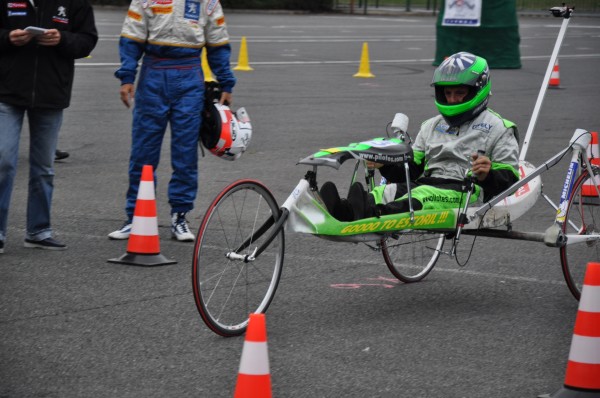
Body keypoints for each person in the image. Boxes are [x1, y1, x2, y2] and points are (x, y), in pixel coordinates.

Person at [320, 52, 520, 221]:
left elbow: (511, 180)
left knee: (421, 196)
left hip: (466, 192)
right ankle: (344, 212)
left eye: (459, 93)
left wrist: (488, 174)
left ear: (478, 89)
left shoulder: (500, 128)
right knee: (385, 192)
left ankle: (371, 215)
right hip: (428, 182)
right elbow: (411, 169)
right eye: (448, 93)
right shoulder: (431, 125)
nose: (452, 99)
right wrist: (385, 164)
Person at [109, 0, 236, 242]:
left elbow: (218, 43)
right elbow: (132, 38)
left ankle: (180, 215)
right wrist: (126, 76)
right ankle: (134, 216)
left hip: (190, 77)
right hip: (153, 75)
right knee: (143, 152)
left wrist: (226, 81)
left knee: (185, 152)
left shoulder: (208, 2)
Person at [0, 1, 98, 253]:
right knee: (3, 161)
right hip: (7, 91)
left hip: (51, 93)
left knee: (44, 167)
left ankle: (38, 230)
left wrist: (62, 39)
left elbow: (87, 41)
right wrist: (8, 38)